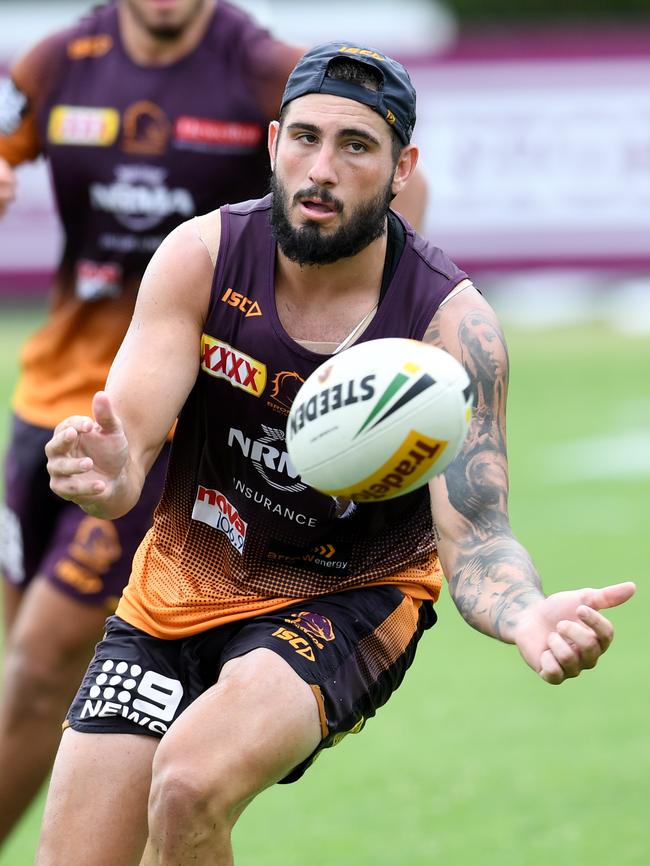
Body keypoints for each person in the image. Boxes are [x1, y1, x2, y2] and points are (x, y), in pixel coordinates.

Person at [40, 41, 634, 866]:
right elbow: (126, 452)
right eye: (306, 138)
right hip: (179, 583)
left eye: (356, 145)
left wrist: (525, 612)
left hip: (348, 598)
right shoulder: (200, 259)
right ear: (273, 142)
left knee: (187, 784)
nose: (322, 168)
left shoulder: (451, 328)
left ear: (401, 169)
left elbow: (479, 533)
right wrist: (104, 475)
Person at [0, 0, 420, 849]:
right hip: (55, 407)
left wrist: (374, 335)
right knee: (26, 673)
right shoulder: (56, 61)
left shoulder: (266, 67)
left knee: (46, 666)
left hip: (171, 428)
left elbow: (385, 189)